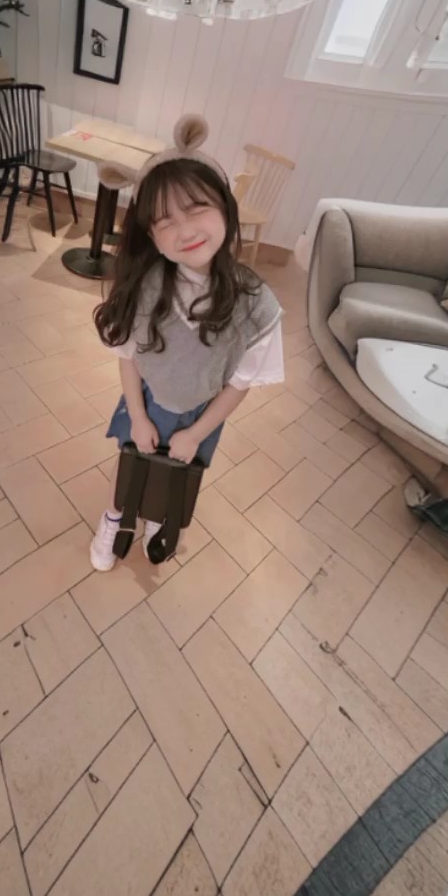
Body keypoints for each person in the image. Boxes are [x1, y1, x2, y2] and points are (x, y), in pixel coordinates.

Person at [90, 114, 285, 571]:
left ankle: (158, 518)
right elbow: (128, 357)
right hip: (147, 401)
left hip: (202, 414)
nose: (185, 230)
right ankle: (116, 515)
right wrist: (139, 416)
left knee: (175, 473)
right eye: (165, 221)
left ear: (225, 209)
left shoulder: (256, 304)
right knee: (131, 465)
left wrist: (196, 433)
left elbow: (240, 383)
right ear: (152, 236)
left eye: (196, 209)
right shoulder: (144, 288)